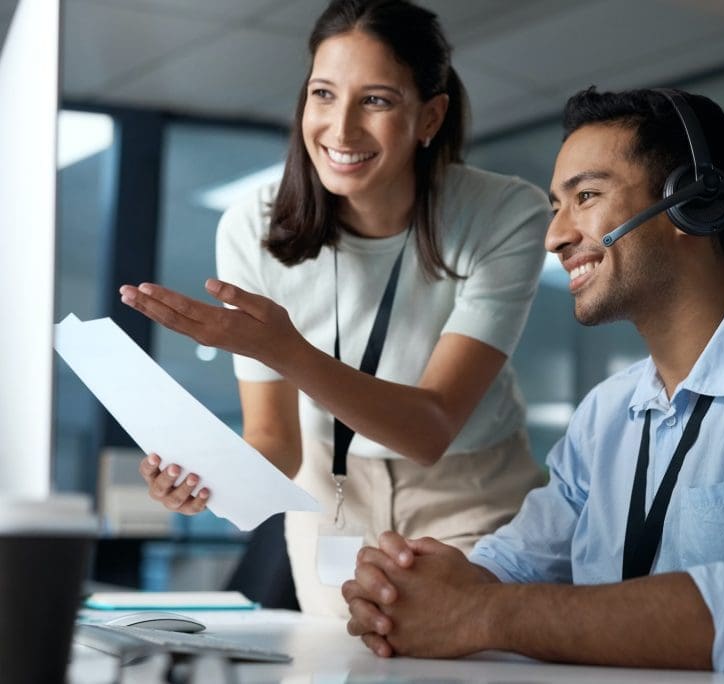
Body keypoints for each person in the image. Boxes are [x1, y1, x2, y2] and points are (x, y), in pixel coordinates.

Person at [342, 86, 724, 682]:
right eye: (556, 206)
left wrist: (481, 613)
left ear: (692, 204)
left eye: (587, 197)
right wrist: (405, 591)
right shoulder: (608, 413)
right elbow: (508, 569)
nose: (555, 237)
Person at [119, 0, 549, 617]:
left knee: (468, 662)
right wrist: (206, 475)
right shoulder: (254, 226)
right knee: (334, 666)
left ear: (430, 116)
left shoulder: (505, 215)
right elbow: (277, 442)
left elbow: (431, 430)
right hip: (329, 495)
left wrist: (283, 349)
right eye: (324, 94)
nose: (340, 130)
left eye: (376, 100)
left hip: (468, 490)